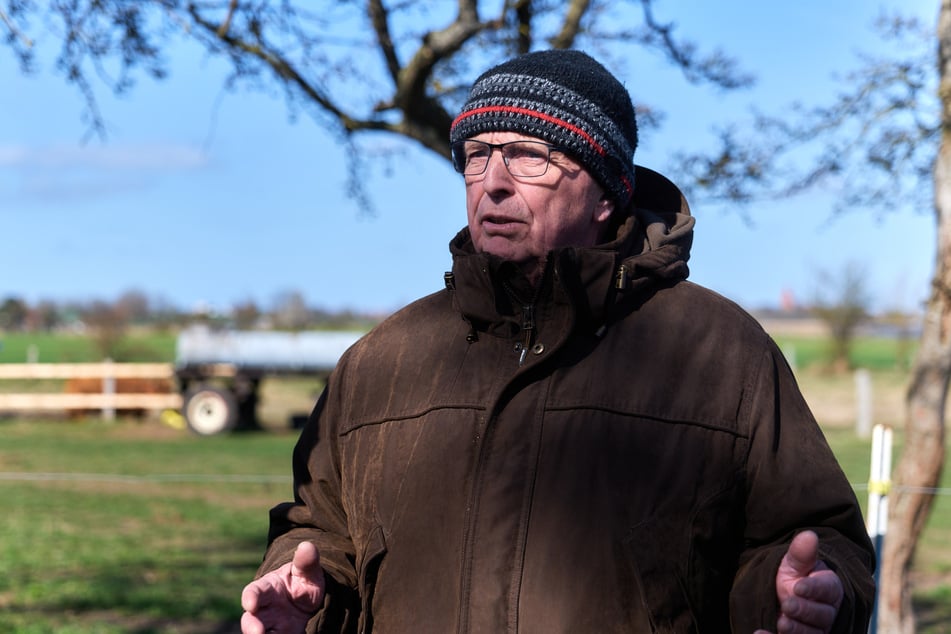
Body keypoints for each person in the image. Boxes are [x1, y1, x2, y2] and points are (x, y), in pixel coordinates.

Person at [240, 49, 876, 634]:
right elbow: (320, 528)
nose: (492, 181)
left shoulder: (718, 352)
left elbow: (820, 539)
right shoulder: (382, 361)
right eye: (478, 155)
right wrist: (309, 591)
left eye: (528, 155)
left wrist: (807, 596)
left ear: (605, 193)